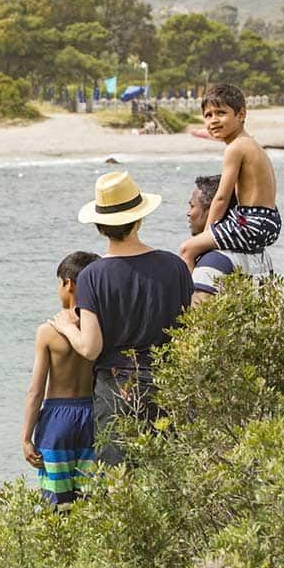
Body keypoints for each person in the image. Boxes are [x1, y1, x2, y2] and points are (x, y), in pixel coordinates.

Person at [53, 171, 192, 465]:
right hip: (169, 388)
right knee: (169, 478)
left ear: (99, 227)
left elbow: (91, 348)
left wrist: (66, 327)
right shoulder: (175, 266)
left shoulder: (93, 275)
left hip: (117, 393)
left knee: (120, 486)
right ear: (139, 218)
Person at [22, 250, 101, 507]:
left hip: (57, 420)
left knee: (56, 503)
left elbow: (35, 391)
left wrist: (26, 438)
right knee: (91, 500)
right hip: (93, 415)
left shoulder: (48, 332)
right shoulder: (100, 329)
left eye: (59, 283)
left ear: (68, 284)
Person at [179, 84, 280, 268]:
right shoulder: (251, 144)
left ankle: (190, 296)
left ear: (241, 115)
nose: (214, 120)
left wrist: (206, 233)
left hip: (251, 223)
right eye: (208, 115)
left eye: (220, 113)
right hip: (268, 221)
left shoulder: (235, 148)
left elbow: (222, 198)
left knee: (188, 249)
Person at [187, 174, 273, 305]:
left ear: (213, 210)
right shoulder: (261, 255)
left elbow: (199, 319)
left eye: (192, 206)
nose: (188, 213)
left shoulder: (212, 263)